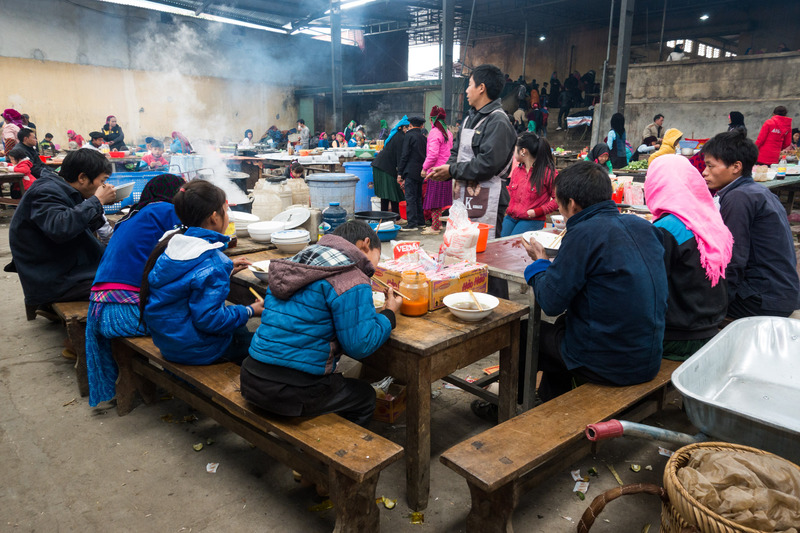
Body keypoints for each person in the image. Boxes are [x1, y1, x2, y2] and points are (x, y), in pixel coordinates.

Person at [520, 161, 667, 402]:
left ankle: (512, 407)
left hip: (610, 364)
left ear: (572, 204)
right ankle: (548, 398)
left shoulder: (583, 233)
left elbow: (550, 300)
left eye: (558, 203)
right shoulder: (643, 226)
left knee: (525, 332)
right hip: (648, 355)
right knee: (563, 327)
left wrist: (540, 262)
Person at [240, 220, 402, 428]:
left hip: (251, 377)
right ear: (365, 244)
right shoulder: (352, 276)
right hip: (291, 392)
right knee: (365, 396)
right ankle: (344, 455)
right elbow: (360, 345)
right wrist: (389, 314)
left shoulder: (294, 263)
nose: (371, 269)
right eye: (375, 260)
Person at [85, 174, 185, 406]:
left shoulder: (132, 215)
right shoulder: (166, 210)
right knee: (201, 319)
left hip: (100, 309)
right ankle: (192, 386)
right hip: (125, 315)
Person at [140, 180, 263, 365]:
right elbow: (211, 321)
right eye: (226, 210)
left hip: (169, 342)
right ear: (214, 217)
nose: (227, 216)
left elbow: (187, 283)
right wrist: (250, 310)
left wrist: (226, 269)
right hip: (197, 350)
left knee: (240, 329)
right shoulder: (213, 262)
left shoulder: (172, 243)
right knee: (264, 344)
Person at [702, 130, 800, 318]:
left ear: (736, 167)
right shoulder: (754, 191)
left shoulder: (739, 197)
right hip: (780, 293)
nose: (705, 172)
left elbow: (732, 258)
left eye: (710, 166)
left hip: (761, 300)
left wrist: (715, 306)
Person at [645, 155, 732, 361]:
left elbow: (650, 289)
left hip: (679, 338)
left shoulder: (666, 230)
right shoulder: (710, 220)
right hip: (710, 326)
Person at [8, 149, 116, 310]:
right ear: (82, 178)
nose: (104, 186)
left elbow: (77, 224)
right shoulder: (45, 192)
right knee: (129, 283)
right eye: (103, 181)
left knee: (125, 268)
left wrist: (96, 206)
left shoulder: (63, 189)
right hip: (54, 279)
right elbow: (60, 228)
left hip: (66, 266)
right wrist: (96, 201)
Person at [428, 63, 517, 234]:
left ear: (481, 88)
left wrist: (452, 170)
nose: (467, 90)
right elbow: (456, 150)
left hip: (489, 197)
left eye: (469, 85)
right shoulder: (469, 119)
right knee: (460, 247)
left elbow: (487, 164)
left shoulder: (498, 121)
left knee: (484, 249)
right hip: (463, 197)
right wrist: (445, 169)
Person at [501, 132, 557, 236]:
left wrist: (538, 211)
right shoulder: (517, 171)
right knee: (499, 242)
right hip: (511, 217)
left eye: (515, 149)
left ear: (523, 151)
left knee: (514, 247)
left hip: (532, 219)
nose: (513, 153)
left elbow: (558, 199)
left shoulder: (548, 173)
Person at [421, 106, 453, 235]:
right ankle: (438, 224)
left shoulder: (434, 132)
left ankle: (434, 227)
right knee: (439, 201)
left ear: (431, 119)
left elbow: (433, 155)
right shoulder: (448, 132)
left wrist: (424, 168)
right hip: (446, 171)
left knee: (434, 200)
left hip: (435, 171)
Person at [371, 117, 409, 214]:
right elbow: (400, 156)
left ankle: (387, 217)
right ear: (403, 127)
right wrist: (401, 173)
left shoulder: (396, 135)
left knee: (388, 194)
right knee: (391, 193)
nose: (408, 130)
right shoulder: (400, 137)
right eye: (408, 128)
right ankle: (394, 217)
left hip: (381, 166)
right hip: (384, 168)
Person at [398, 116, 427, 231]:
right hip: (420, 171)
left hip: (410, 171)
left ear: (410, 125)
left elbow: (405, 155)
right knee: (418, 197)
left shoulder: (409, 136)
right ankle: (421, 222)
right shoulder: (423, 138)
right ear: (421, 126)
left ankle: (412, 224)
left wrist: (400, 172)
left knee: (410, 197)